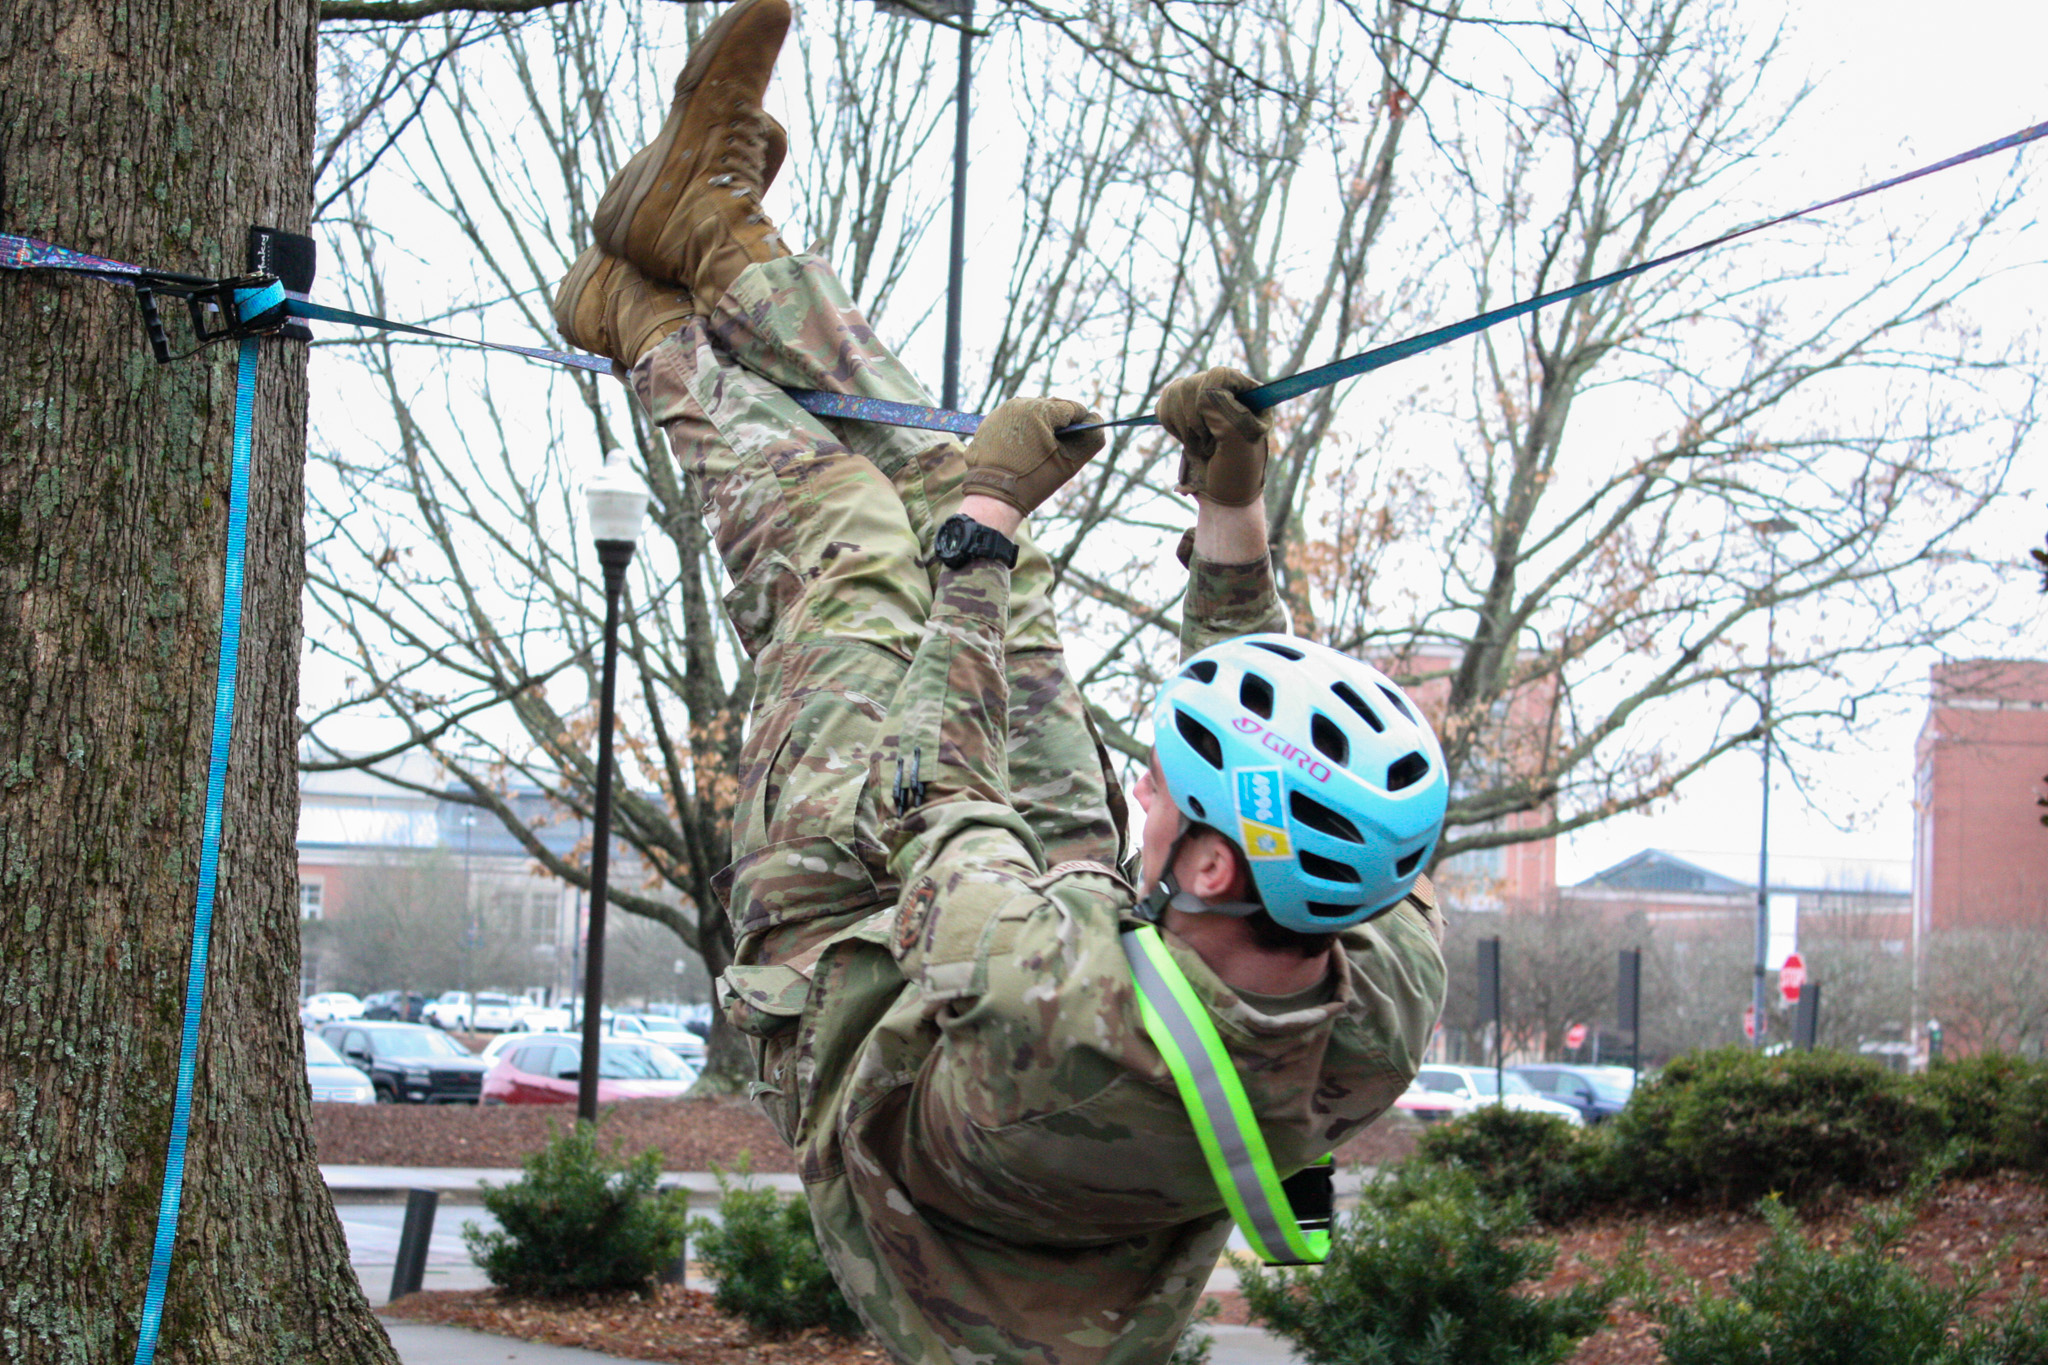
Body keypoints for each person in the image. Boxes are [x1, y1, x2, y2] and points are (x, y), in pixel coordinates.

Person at [551, 3, 1450, 1360]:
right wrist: (1231, 509)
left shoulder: (1052, 1006)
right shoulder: (1378, 985)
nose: (1135, 776)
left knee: (855, 550)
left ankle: (639, 313)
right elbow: (1264, 719)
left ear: (1208, 867)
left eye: (1165, 787)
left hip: (864, 963)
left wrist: (985, 517)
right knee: (986, 544)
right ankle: (711, 234)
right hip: (1071, 924)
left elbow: (931, 784)